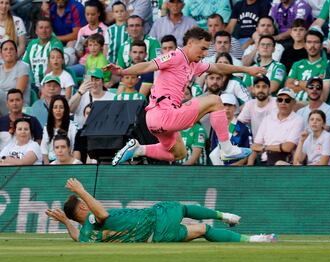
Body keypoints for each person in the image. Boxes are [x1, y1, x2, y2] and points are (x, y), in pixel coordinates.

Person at [108, 27, 266, 165]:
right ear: (190, 43)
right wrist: (122, 72)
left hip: (156, 122)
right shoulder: (175, 56)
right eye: (202, 49)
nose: (204, 54)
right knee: (216, 100)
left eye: (207, 50)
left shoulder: (194, 64)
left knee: (179, 154)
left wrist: (247, 70)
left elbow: (218, 66)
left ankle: (138, 149)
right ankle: (226, 149)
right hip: (164, 114)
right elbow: (148, 65)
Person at [45, 177, 276, 243]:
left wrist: (66, 222)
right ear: (84, 206)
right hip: (155, 220)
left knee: (203, 230)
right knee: (182, 208)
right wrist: (82, 190)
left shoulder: (86, 235)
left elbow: (77, 237)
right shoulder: (96, 220)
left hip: (156, 237)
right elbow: (102, 215)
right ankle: (224, 215)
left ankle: (255, 240)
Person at [247, 88, 304, 166]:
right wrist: (249, 166)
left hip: (284, 161)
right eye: (280, 100)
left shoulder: (298, 120)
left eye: (287, 100)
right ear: (276, 102)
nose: (283, 103)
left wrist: (264, 148)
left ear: (293, 102)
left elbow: (288, 147)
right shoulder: (268, 118)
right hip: (264, 161)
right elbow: (255, 146)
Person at [22, 17, 64, 91]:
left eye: (47, 28)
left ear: (51, 30)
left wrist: (43, 87)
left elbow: (53, 66)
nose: (44, 31)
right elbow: (24, 65)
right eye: (41, 28)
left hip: (51, 85)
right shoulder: (32, 44)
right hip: (32, 85)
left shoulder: (56, 43)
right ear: (36, 31)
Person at [286, 30, 327, 103]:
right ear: (304, 45)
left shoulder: (326, 65)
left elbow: (317, 90)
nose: (312, 46)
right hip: (293, 104)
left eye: (316, 42)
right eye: (309, 42)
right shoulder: (297, 64)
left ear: (321, 46)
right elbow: (288, 86)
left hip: (312, 105)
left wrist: (297, 82)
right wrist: (308, 86)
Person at [210, 93, 252, 166]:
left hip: (237, 170)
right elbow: (213, 150)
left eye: (229, 105)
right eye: (224, 105)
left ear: (235, 107)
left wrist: (233, 166)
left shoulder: (243, 128)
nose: (226, 108)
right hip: (218, 168)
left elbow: (247, 152)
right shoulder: (216, 127)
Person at [70, 0, 109, 77]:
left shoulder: (105, 30)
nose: (90, 17)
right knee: (68, 71)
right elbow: (79, 54)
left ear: (99, 13)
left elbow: (105, 53)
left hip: (98, 64)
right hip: (83, 64)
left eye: (93, 14)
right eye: (87, 14)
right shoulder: (82, 30)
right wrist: (82, 45)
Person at [41, 95, 78, 164]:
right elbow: (44, 150)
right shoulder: (46, 127)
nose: (58, 110)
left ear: (65, 109)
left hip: (67, 162)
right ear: (51, 110)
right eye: (55, 107)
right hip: (51, 162)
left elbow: (74, 149)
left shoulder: (73, 126)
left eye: (61, 107)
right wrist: (47, 168)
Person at [176, 87, 207, 165]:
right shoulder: (175, 130)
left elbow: (193, 159)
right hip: (178, 168)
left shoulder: (199, 130)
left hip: (196, 170)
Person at [0, 40, 30, 115]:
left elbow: (17, 94)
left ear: (16, 52)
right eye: (5, 49)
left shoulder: (23, 66)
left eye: (11, 49)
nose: (9, 51)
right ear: (1, 54)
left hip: (18, 104)